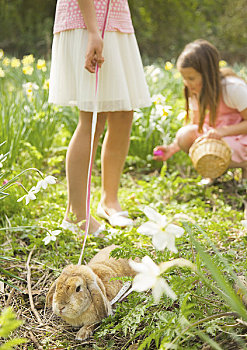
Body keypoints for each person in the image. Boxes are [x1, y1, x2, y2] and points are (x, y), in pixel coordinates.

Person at [49, 0, 151, 234]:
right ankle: (76, 215)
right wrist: (93, 32)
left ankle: (109, 201)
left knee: (124, 115)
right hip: (88, 22)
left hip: (116, 21)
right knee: (93, 118)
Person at [154, 39, 247, 179]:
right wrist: (172, 148)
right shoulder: (196, 90)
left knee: (215, 147)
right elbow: (196, 125)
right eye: (184, 78)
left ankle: (244, 165)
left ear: (208, 75)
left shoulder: (232, 89)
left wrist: (222, 132)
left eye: (191, 78)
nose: (187, 83)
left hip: (239, 136)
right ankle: (212, 173)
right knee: (185, 135)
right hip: (217, 135)